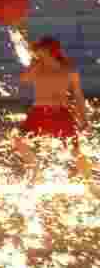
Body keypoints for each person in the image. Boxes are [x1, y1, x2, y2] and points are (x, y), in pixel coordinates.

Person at [15, 36, 92, 184]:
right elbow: (24, 79)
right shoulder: (37, 67)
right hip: (38, 112)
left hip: (61, 114)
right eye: (36, 51)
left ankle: (90, 183)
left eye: (40, 50)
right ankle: (36, 170)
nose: (37, 53)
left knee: (75, 151)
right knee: (19, 141)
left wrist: (84, 118)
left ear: (48, 51)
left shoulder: (68, 71)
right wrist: (34, 63)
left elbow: (78, 97)